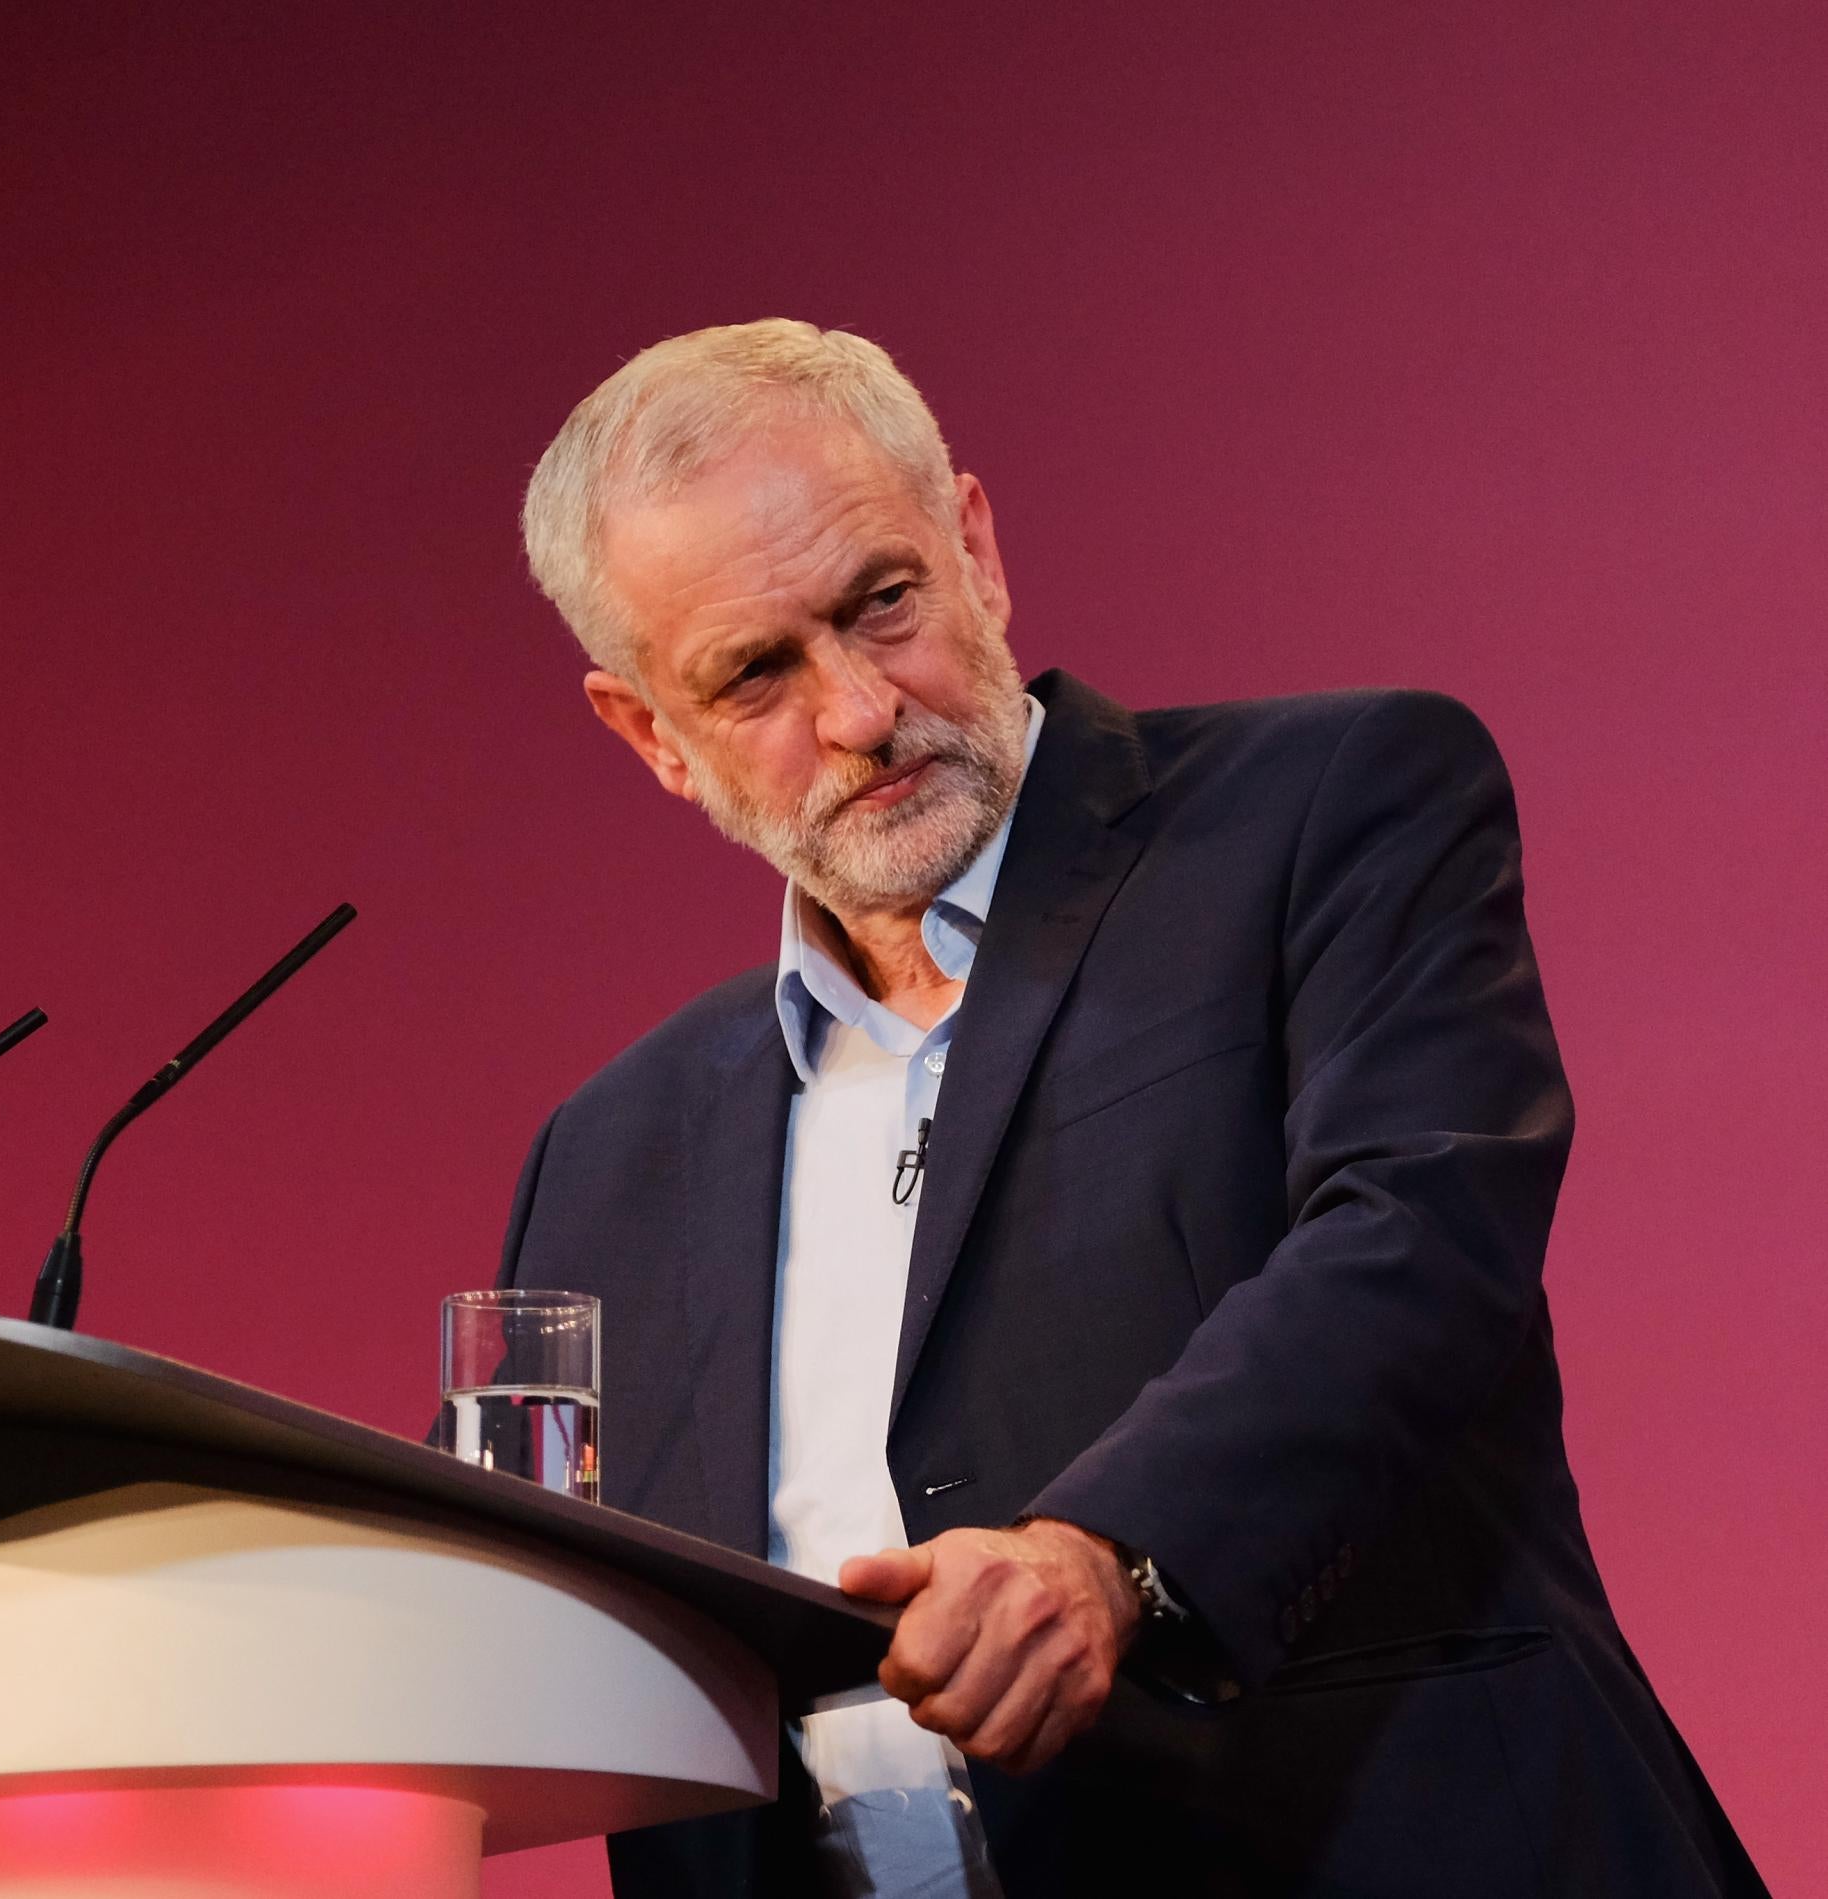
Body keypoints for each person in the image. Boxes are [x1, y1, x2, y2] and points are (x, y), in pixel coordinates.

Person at [500, 320, 1765, 1897]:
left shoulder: (1335, 810)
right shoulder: (607, 1156)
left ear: (973, 545)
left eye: (881, 605)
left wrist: (1112, 1555)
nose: (856, 714)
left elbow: (1417, 1239)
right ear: (649, 737)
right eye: (756, 672)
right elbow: (514, 1592)